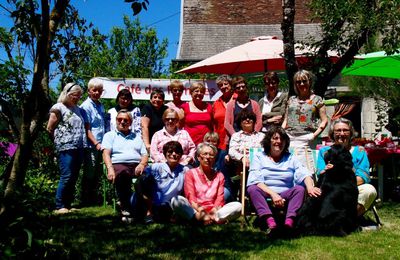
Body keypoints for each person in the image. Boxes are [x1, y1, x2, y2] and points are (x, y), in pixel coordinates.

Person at [247, 126, 320, 231]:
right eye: (275, 138)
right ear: (268, 141)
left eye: (282, 139)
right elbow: (256, 180)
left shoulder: (291, 158)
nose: (279, 141)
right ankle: (270, 221)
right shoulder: (259, 157)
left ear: (286, 143)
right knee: (252, 189)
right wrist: (273, 194)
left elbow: (304, 173)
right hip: (266, 192)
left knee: (300, 189)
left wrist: (310, 187)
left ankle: (289, 222)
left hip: (286, 193)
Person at [316, 117, 377, 217]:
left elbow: (363, 176)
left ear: (351, 133)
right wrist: (326, 171)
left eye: (345, 130)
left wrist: (343, 184)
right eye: (338, 130)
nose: (342, 133)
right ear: (332, 133)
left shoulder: (360, 151)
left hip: (352, 187)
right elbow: (320, 172)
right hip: (330, 188)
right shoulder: (325, 151)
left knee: (369, 190)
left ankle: (349, 219)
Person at [171, 143, 242, 225]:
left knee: (238, 206)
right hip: (196, 210)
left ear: (214, 159)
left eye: (211, 155)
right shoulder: (190, 173)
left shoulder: (219, 175)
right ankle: (205, 219)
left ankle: (198, 220)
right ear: (198, 157)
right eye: (205, 154)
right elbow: (191, 197)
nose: (208, 157)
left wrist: (212, 212)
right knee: (176, 200)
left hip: (214, 211)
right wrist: (202, 212)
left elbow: (220, 199)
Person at [47, 83, 88, 214]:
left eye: (79, 96)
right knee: (66, 175)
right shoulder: (58, 107)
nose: (77, 98)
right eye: (74, 96)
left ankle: (68, 204)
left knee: (74, 176)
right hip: (65, 147)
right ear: (67, 94)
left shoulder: (78, 109)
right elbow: (50, 128)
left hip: (79, 146)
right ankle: (59, 205)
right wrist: (57, 142)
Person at [102, 109, 148, 220]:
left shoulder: (137, 137)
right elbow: (106, 154)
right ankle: (126, 207)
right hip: (118, 164)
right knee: (123, 175)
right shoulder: (109, 135)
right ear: (116, 121)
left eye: (126, 120)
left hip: (137, 165)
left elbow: (145, 154)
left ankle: (144, 206)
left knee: (148, 178)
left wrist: (142, 164)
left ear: (130, 122)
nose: (122, 122)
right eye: (120, 119)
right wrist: (110, 168)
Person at [132, 141, 189, 223]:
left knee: (164, 211)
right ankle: (148, 213)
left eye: (177, 152)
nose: (174, 154)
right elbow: (139, 183)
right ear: (165, 154)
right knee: (143, 180)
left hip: (170, 204)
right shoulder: (156, 167)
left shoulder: (185, 170)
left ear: (181, 155)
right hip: (150, 202)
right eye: (170, 152)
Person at [282, 70, 328, 172]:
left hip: (307, 137)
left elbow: (324, 120)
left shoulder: (317, 99)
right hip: (289, 137)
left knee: (308, 168)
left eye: (304, 81)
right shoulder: (291, 99)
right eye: (298, 82)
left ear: (310, 82)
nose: (302, 84)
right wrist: (282, 133)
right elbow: (286, 118)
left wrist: (314, 135)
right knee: (289, 167)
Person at [79, 78, 106, 206]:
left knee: (98, 172)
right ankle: (85, 199)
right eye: (94, 90)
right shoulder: (85, 106)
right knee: (89, 173)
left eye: (99, 91)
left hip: (101, 144)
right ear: (89, 91)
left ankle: (94, 198)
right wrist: (96, 143)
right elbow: (87, 129)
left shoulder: (100, 105)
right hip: (91, 145)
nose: (97, 93)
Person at [203, 132, 234, 202]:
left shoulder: (223, 154)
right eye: (208, 141)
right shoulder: (200, 156)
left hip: (223, 187)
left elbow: (231, 170)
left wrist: (229, 162)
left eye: (214, 141)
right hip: (205, 187)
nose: (210, 143)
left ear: (218, 143)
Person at [212, 74, 234, 151]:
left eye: (226, 84)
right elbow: (214, 125)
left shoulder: (238, 99)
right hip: (220, 144)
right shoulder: (216, 103)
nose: (223, 86)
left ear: (231, 84)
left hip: (237, 142)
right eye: (220, 85)